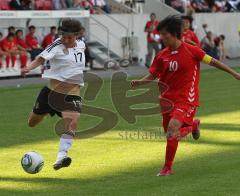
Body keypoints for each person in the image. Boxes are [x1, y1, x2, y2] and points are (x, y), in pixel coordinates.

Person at [131, 15, 240, 176]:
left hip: (186, 98)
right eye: (160, 34)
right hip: (167, 99)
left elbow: (214, 62)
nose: (161, 37)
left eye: (164, 34)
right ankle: (192, 126)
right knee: (171, 134)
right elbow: (153, 74)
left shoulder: (192, 50)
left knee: (172, 129)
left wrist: (234, 73)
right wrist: (140, 83)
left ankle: (167, 168)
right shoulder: (162, 55)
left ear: (174, 33)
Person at [21, 18, 85, 170]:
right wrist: (28, 68)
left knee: (72, 122)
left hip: (72, 94)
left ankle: (61, 156)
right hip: (51, 93)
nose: (65, 39)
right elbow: (41, 59)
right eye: (63, 36)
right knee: (32, 122)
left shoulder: (82, 44)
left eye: (69, 37)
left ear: (77, 35)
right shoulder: (56, 45)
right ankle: (44, 112)